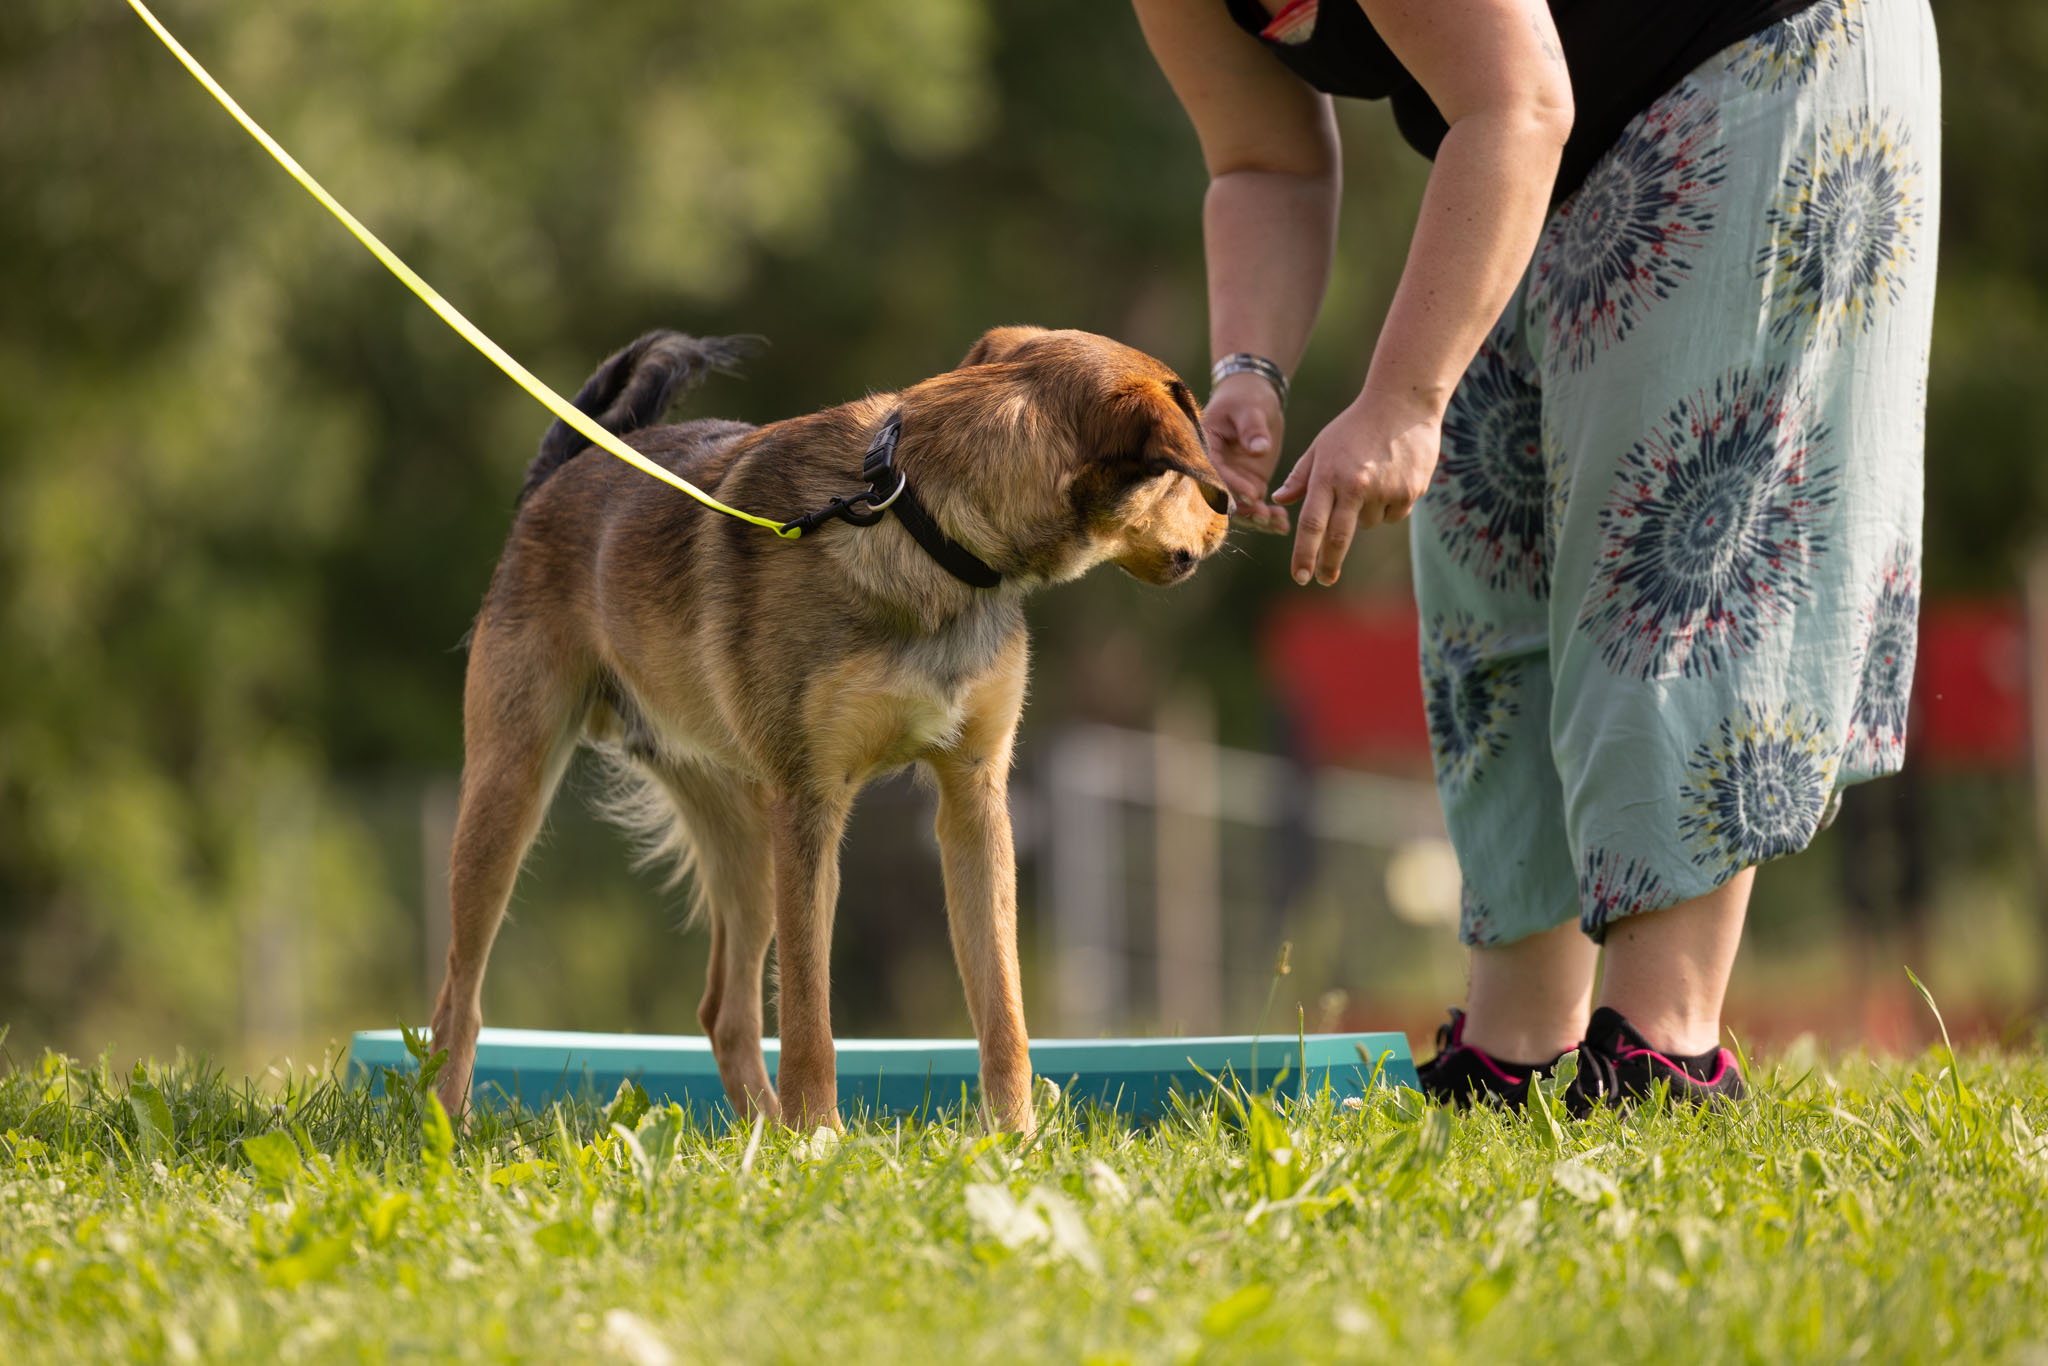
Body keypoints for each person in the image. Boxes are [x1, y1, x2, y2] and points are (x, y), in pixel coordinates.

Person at [1132, 0, 1940, 1108]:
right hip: (1544, 131)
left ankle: (1661, 1051)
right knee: (1482, 543)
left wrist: (1402, 401)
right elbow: (1262, 162)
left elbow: (1514, 99)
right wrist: (1248, 371)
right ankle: (1512, 1049)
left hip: (1758, 50)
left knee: (1670, 534)